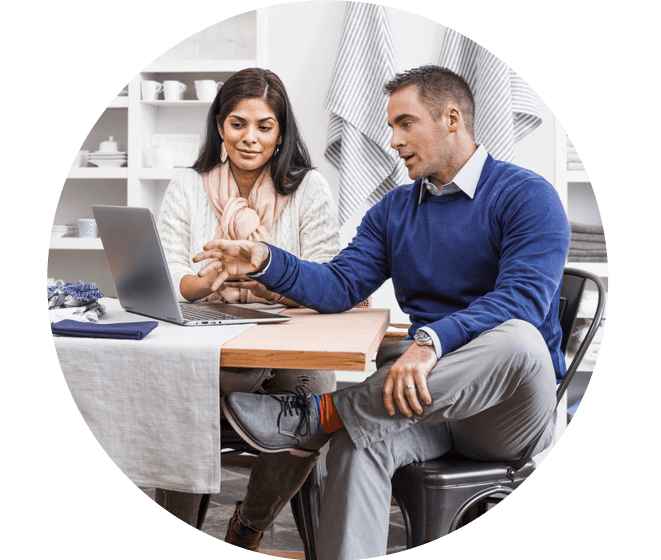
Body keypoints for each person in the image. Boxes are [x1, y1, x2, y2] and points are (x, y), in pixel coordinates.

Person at [195, 65, 570, 559]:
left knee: (519, 337)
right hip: (422, 401)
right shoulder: (393, 211)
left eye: (404, 123)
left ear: (451, 118)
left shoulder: (528, 196)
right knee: (356, 445)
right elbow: (339, 286)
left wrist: (430, 342)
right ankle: (337, 427)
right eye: (391, 126)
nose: (391, 140)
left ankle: (324, 413)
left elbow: (521, 300)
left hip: (504, 411)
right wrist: (266, 260)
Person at [154, 68, 340, 550]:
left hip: (289, 338)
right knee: (182, 397)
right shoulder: (188, 187)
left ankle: (248, 528)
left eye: (264, 126)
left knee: (321, 404)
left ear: (281, 133)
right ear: (219, 126)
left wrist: (264, 278)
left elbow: (325, 281)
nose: (250, 138)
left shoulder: (309, 188)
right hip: (212, 331)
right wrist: (208, 281)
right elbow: (173, 277)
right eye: (237, 124)